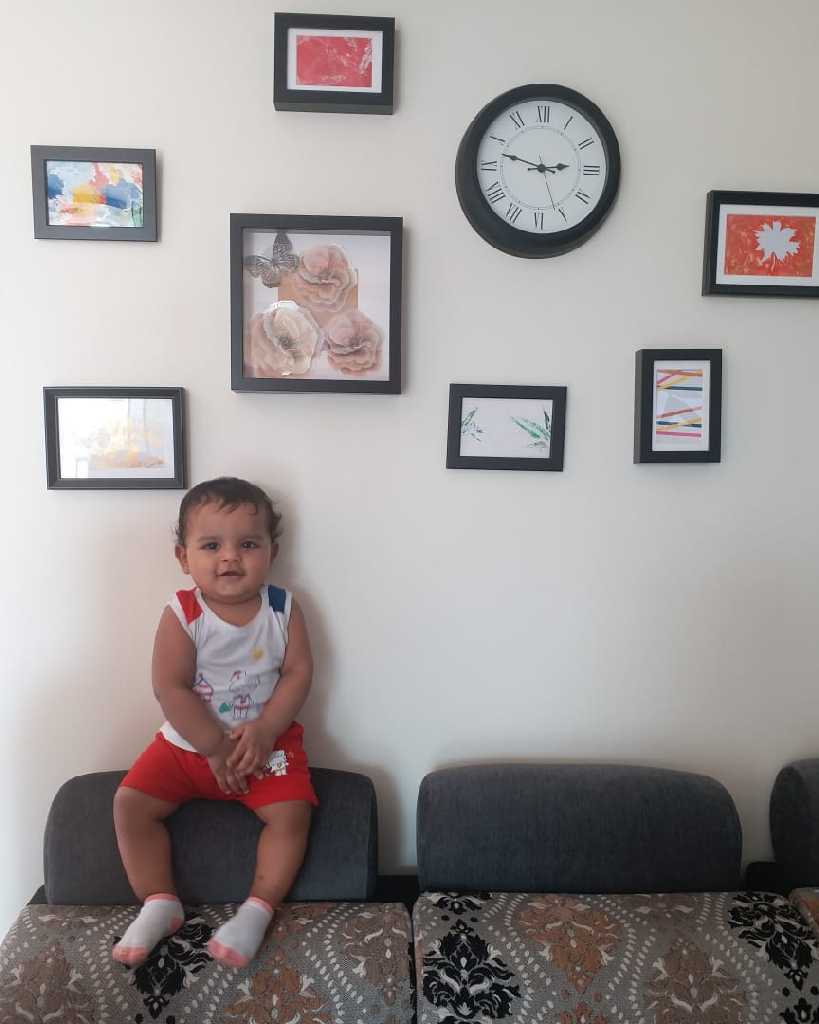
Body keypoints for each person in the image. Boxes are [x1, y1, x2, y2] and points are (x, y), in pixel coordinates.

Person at [112, 477, 317, 968]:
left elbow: (298, 673)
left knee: (293, 815)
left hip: (264, 748)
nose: (229, 557)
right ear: (183, 557)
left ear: (271, 552)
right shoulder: (183, 612)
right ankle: (159, 902)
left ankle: (257, 909)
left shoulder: (282, 608)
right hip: (186, 748)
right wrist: (213, 747)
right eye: (211, 546)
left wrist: (266, 730)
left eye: (248, 544)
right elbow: (170, 687)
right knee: (130, 805)